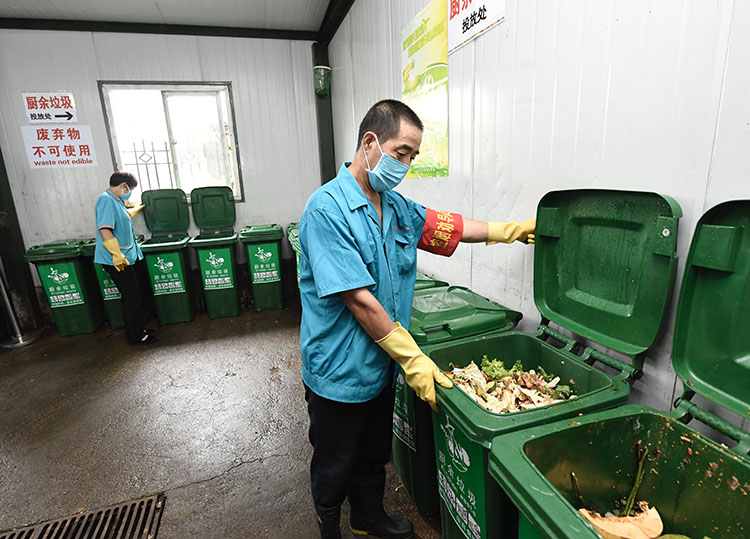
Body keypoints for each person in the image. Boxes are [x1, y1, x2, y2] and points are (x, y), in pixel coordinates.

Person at [299, 99, 535, 539]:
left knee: (372, 451)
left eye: (412, 157)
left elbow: (447, 226)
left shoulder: (394, 205)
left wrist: (508, 230)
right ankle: (328, 526)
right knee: (335, 459)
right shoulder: (325, 210)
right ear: (370, 143)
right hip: (337, 366)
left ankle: (367, 518)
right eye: (401, 152)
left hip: (378, 363)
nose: (405, 165)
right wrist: (413, 358)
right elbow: (358, 300)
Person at [94, 170, 156, 345]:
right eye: (130, 189)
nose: (130, 193)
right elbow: (105, 229)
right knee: (131, 297)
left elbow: (119, 219)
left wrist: (131, 211)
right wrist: (117, 254)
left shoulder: (116, 200)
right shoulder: (105, 200)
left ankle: (138, 329)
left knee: (135, 294)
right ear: (123, 186)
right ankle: (135, 335)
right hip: (116, 259)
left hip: (127, 256)